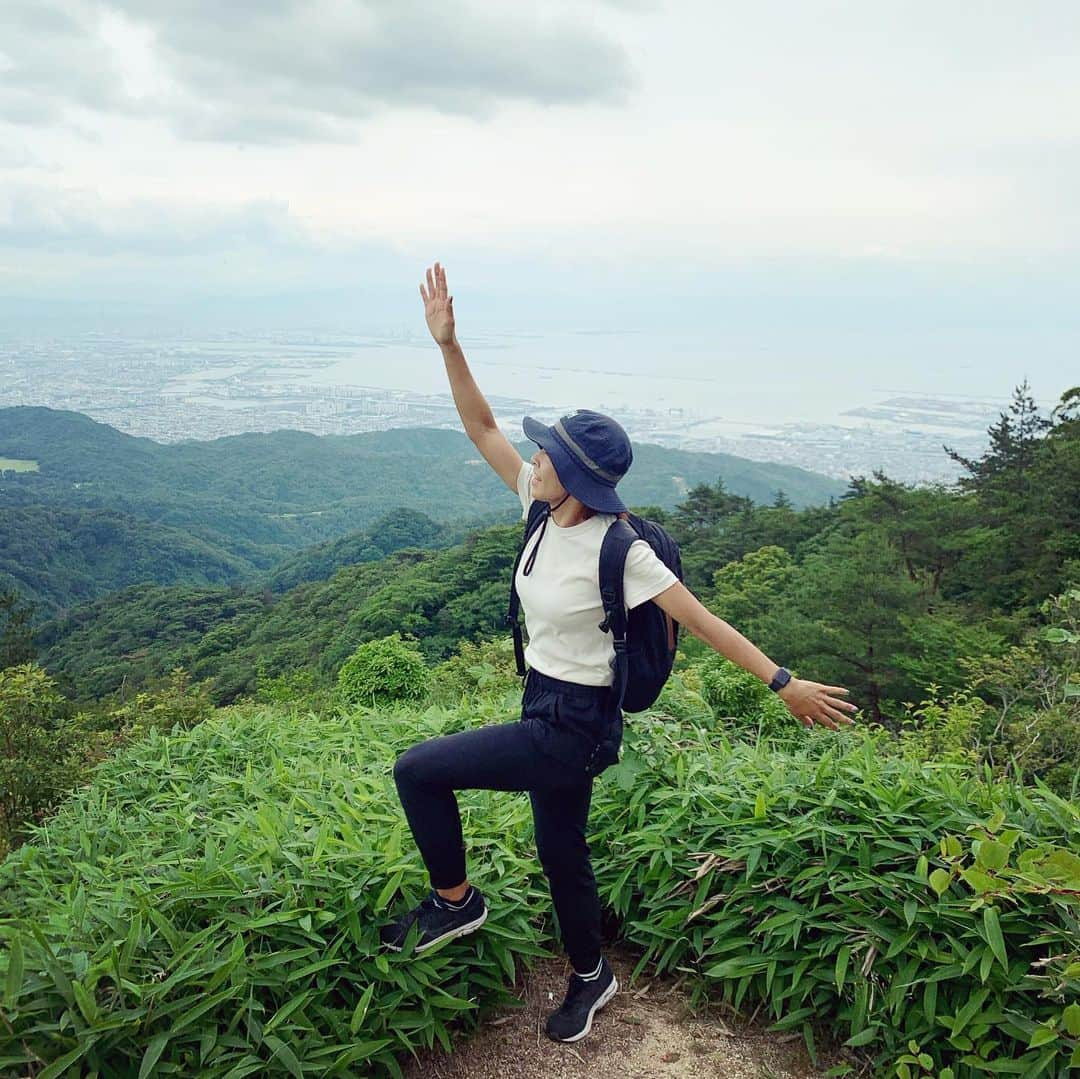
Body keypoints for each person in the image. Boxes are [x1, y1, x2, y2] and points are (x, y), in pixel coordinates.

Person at [380, 262, 857, 1043]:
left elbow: (702, 622)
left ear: (574, 480)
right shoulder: (540, 509)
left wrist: (784, 682)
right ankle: (591, 974)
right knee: (560, 848)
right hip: (541, 698)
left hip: (577, 726)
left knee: (417, 769)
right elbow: (482, 427)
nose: (531, 460)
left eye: (546, 457)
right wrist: (449, 345)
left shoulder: (623, 548)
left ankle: (457, 903)